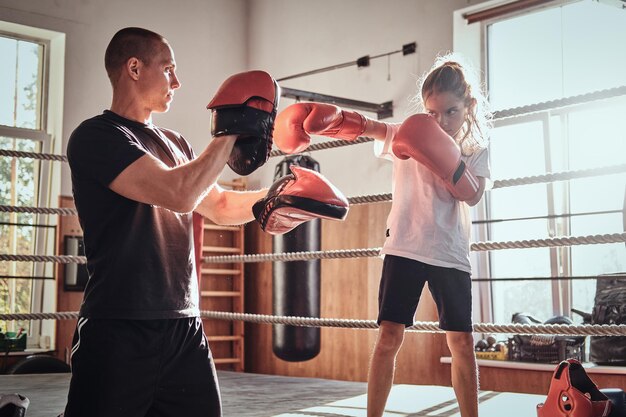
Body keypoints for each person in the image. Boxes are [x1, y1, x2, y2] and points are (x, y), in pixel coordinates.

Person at [63, 27, 274, 417]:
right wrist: (231, 129)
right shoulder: (97, 136)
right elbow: (177, 192)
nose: (177, 82)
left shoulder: (177, 143)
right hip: (119, 326)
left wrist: (279, 196)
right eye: (168, 69)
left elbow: (221, 205)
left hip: (184, 327)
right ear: (134, 68)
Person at [272, 53, 492, 417]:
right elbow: (372, 128)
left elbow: (474, 193)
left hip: (451, 253)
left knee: (462, 343)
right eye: (432, 114)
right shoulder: (408, 133)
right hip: (405, 248)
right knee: (389, 337)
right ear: (423, 110)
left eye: (451, 112)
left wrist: (446, 160)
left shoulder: (475, 148)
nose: (441, 122)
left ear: (468, 106)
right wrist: (325, 120)